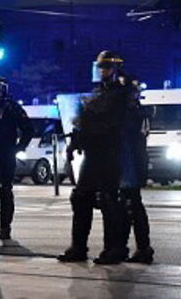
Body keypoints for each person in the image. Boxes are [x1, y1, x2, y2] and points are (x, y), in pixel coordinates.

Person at [58, 50, 131, 264]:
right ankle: (78, 247)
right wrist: (74, 143)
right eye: (100, 67)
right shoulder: (97, 93)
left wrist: (88, 126)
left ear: (116, 69)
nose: (102, 71)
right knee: (81, 199)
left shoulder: (121, 94)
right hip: (92, 152)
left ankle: (114, 248)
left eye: (106, 67)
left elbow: (113, 124)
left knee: (109, 201)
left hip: (109, 152)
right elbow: (83, 122)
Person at [0, 75, 32, 241]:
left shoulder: (12, 107)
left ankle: (4, 227)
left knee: (4, 190)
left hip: (4, 153)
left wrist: (18, 148)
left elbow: (28, 129)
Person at [118, 79, 154, 264]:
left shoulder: (134, 113)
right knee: (126, 207)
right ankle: (127, 247)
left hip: (130, 163)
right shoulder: (136, 111)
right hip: (129, 163)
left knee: (132, 206)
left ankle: (142, 247)